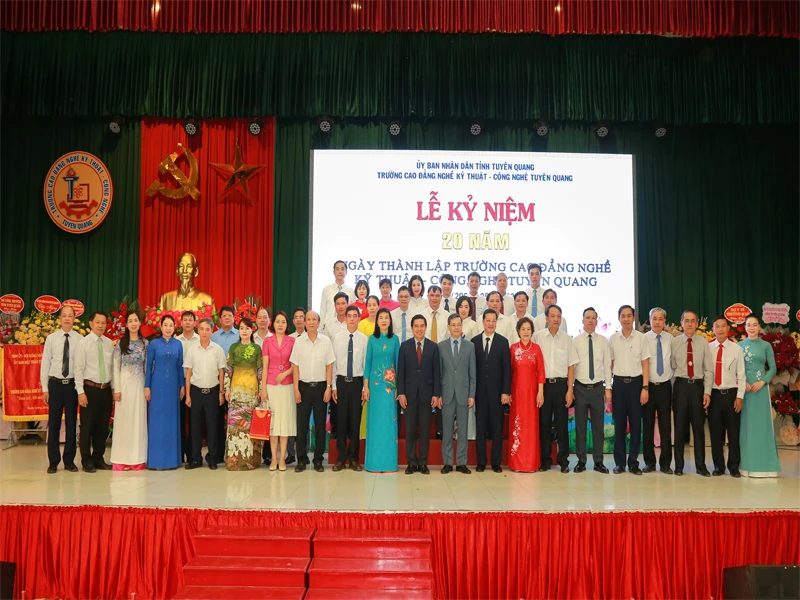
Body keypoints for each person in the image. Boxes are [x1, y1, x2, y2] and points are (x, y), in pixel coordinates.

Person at [290, 311, 335, 473]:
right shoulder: (299, 342)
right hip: (303, 387)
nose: (310, 322)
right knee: (301, 425)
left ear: (319, 322)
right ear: (304, 322)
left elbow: (329, 366)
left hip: (321, 387)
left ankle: (318, 459)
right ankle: (301, 459)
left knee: (320, 425)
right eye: (308, 319)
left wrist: (329, 387)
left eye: (313, 319)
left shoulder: (326, 341)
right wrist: (296, 389)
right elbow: (295, 367)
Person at [609, 305, 651, 475]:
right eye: (623, 316)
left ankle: (633, 463)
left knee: (635, 425)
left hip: (636, 385)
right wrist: (608, 386)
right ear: (619, 318)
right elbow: (610, 364)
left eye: (629, 316)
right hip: (618, 385)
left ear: (634, 318)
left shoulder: (641, 338)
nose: (626, 319)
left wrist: (645, 387)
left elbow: (645, 364)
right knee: (619, 425)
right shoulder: (613, 339)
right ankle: (619, 463)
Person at [670, 309, 714, 477]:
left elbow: (708, 369)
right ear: (681, 323)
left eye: (692, 321)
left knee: (698, 428)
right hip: (680, 386)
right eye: (686, 320)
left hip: (697, 387)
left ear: (697, 324)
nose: (689, 324)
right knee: (679, 427)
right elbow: (671, 366)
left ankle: (701, 466)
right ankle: (679, 466)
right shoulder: (675, 342)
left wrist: (707, 392)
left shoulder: (703, 342)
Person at [534, 305, 576, 473]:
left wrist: (570, 390)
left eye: (558, 316)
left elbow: (571, 366)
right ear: (546, 318)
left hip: (561, 385)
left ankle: (563, 461)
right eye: (552, 316)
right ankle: (545, 460)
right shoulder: (538, 337)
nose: (556, 319)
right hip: (543, 386)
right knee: (544, 424)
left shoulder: (567, 339)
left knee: (561, 424)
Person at [397, 314, 441, 474]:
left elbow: (437, 372)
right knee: (410, 431)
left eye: (422, 326)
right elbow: (400, 372)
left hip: (426, 396)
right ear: (412, 328)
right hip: (408, 396)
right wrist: (401, 393)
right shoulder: (404, 346)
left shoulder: (433, 347)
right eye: (416, 326)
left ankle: (422, 462)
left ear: (426, 327)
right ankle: (411, 462)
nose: (419, 329)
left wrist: (436, 394)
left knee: (424, 431)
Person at [569, 307, 611, 474]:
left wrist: (608, 388)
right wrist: (571, 388)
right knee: (580, 427)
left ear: (596, 320)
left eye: (594, 318)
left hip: (598, 389)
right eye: (588, 317)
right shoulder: (575, 341)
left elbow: (607, 365)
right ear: (583, 320)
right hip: (580, 388)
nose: (591, 320)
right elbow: (572, 367)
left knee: (598, 427)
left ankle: (598, 462)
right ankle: (581, 461)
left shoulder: (603, 341)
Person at [41, 306, 82, 474]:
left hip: (72, 385)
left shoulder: (80, 339)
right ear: (60, 318)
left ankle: (69, 461)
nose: (67, 318)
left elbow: (81, 365)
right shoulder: (51, 339)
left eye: (70, 316)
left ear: (74, 319)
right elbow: (45, 364)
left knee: (72, 424)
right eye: (64, 315)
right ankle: (53, 461)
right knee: (54, 424)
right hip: (55, 385)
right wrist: (45, 388)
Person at [739, 314, 780, 477]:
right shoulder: (739, 346)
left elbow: (773, 368)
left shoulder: (766, 346)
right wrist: (744, 383)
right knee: (746, 427)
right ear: (745, 327)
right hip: (745, 391)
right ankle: (746, 465)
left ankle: (766, 466)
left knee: (762, 426)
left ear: (759, 327)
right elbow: (736, 368)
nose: (752, 328)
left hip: (761, 391)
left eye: (755, 324)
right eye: (749, 324)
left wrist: (762, 382)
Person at [74, 311, 114, 473]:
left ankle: (98, 458)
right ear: (91, 323)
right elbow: (78, 369)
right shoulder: (83, 343)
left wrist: (113, 390)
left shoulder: (109, 343)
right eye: (98, 322)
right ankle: (86, 460)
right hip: (89, 389)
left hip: (106, 390)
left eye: (103, 323)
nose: (100, 326)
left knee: (102, 427)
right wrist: (80, 392)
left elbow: (111, 369)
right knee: (87, 427)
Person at [184, 318, 226, 470]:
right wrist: (188, 395)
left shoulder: (218, 350)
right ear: (198, 330)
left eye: (207, 329)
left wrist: (221, 393)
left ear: (212, 331)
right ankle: (196, 458)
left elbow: (221, 372)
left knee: (212, 426)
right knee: (195, 427)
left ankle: (212, 458)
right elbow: (188, 373)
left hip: (213, 392)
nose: (204, 332)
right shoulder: (192, 350)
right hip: (196, 392)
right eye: (201, 329)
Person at [363, 308, 401, 473]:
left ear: (390, 321)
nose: (384, 320)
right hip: (375, 387)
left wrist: (399, 388)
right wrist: (366, 387)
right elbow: (367, 364)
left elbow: (399, 364)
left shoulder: (395, 339)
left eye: (386, 317)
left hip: (390, 388)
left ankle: (389, 464)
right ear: (377, 321)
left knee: (389, 423)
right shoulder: (372, 339)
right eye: (381, 318)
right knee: (375, 423)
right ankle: (374, 464)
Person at [472, 309, 511, 473]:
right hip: (479, 393)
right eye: (488, 320)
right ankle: (481, 462)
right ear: (483, 322)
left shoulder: (503, 342)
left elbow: (507, 369)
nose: (490, 323)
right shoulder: (474, 342)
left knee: (497, 429)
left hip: (497, 394)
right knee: (480, 429)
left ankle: (496, 462)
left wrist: (506, 392)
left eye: (493, 321)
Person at [330, 306, 368, 471]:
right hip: (341, 382)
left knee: (355, 421)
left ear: (359, 318)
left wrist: (364, 388)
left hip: (357, 383)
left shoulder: (364, 340)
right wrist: (333, 386)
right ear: (345, 318)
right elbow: (333, 364)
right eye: (349, 316)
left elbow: (365, 365)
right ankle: (340, 458)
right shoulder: (337, 338)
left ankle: (353, 457)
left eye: (355, 316)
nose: (352, 319)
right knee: (341, 421)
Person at [144, 315, 184, 470]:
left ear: (175, 327)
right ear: (160, 327)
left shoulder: (178, 344)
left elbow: (180, 366)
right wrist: (147, 386)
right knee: (157, 422)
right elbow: (148, 366)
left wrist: (182, 385)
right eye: (165, 325)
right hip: (157, 386)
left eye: (171, 325)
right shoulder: (154, 344)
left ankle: (172, 460)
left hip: (173, 387)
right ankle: (156, 461)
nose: (168, 328)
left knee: (172, 421)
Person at [110, 310, 148, 471]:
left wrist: (147, 387)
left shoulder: (145, 343)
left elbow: (147, 367)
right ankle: (121, 458)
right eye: (130, 321)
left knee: (138, 421)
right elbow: (115, 367)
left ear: (140, 323)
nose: (133, 323)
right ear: (126, 324)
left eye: (136, 320)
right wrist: (116, 389)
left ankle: (137, 459)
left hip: (139, 386)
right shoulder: (120, 343)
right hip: (124, 387)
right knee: (123, 421)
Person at [223, 317, 263, 471]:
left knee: (250, 427)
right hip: (236, 392)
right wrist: (227, 388)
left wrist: (261, 390)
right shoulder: (233, 347)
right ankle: (234, 461)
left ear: (252, 330)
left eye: (247, 328)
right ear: (238, 331)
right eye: (241, 328)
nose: (244, 331)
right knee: (234, 427)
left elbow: (260, 371)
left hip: (251, 392)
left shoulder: (257, 348)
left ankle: (251, 460)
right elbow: (228, 369)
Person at [438, 314, 476, 474]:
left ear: (462, 326)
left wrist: (471, 395)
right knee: (447, 430)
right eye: (453, 325)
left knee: (463, 429)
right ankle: (447, 462)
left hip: (463, 393)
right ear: (448, 327)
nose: (456, 327)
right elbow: (438, 373)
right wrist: (438, 394)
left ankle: (461, 462)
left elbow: (472, 373)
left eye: (458, 325)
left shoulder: (470, 346)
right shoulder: (441, 346)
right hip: (446, 393)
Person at [708, 317, 746, 478]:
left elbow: (741, 375)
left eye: (723, 326)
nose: (721, 329)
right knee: (715, 433)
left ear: (728, 328)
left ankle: (734, 466)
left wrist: (740, 396)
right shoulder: (708, 348)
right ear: (713, 329)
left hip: (731, 395)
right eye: (717, 326)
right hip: (714, 395)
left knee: (733, 433)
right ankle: (718, 466)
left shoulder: (736, 349)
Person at [259, 311, 297, 471]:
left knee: (285, 422)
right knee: (273, 424)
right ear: (273, 324)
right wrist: (263, 389)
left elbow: (296, 365)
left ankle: (283, 459)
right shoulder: (268, 341)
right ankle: (274, 458)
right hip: (271, 385)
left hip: (287, 385)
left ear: (287, 325)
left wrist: (286, 373)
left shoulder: (293, 341)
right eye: (277, 322)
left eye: (283, 322)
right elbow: (265, 366)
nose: (280, 324)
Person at [509, 316, 545, 473]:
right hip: (517, 394)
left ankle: (531, 464)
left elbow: (541, 372)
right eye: (523, 329)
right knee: (518, 427)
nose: (526, 332)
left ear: (532, 331)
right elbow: (509, 372)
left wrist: (540, 392)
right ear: (518, 331)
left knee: (531, 428)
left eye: (528, 329)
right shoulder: (513, 348)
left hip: (532, 395)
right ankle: (517, 464)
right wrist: (508, 392)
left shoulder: (536, 349)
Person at [643, 307, 674, 474]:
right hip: (648, 387)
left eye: (660, 319)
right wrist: (644, 387)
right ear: (649, 321)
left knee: (665, 426)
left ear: (664, 322)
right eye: (654, 318)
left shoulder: (671, 339)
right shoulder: (643, 339)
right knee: (648, 425)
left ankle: (665, 463)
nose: (657, 322)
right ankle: (649, 462)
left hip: (665, 387)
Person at [211, 305, 237, 463]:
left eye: (230, 315)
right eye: (224, 316)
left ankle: (235, 453)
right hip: (218, 382)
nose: (227, 318)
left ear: (234, 318)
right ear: (220, 319)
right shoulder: (213, 337)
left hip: (237, 383)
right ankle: (218, 454)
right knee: (217, 419)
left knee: (236, 420)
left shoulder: (241, 335)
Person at [177, 310, 200, 464]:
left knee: (194, 421)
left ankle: (192, 455)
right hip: (180, 383)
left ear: (194, 323)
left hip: (195, 384)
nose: (187, 322)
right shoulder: (176, 340)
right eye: (185, 319)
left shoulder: (199, 339)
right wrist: (181, 384)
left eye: (190, 320)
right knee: (179, 419)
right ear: (181, 322)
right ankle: (179, 454)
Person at [319, 259, 355, 324]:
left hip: (345, 325)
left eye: (342, 269)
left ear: (346, 272)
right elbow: (323, 311)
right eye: (337, 269)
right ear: (334, 272)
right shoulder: (326, 290)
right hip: (329, 326)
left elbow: (353, 311)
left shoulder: (351, 291)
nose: (340, 271)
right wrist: (321, 327)